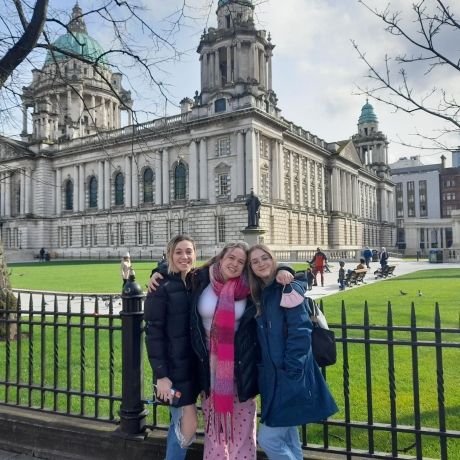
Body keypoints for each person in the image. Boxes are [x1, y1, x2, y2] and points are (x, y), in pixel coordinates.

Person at [247, 244, 338, 459]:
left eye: (265, 258)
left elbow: (301, 331)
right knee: (289, 437)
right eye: (255, 261)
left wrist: (293, 369)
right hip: (273, 377)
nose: (261, 263)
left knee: (268, 439)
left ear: (273, 258)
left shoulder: (288, 288)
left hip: (290, 375)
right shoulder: (260, 293)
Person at [189, 242, 259, 459]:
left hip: (241, 363)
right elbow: (174, 270)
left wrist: (286, 271)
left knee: (244, 426)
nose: (235, 264)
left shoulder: (250, 286)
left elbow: (272, 270)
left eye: (241, 261)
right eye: (231, 258)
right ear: (221, 257)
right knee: (215, 426)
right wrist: (157, 272)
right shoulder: (200, 279)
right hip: (208, 364)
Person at [144, 235, 199, 460]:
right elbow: (153, 334)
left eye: (188, 252)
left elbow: (228, 262)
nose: (184, 257)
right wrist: (161, 376)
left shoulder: (196, 280)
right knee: (186, 426)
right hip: (174, 372)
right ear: (170, 255)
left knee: (180, 426)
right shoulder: (160, 286)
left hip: (194, 369)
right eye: (178, 252)